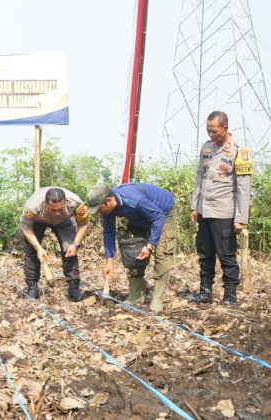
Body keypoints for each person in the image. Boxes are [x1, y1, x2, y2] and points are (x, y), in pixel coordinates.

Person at [188, 111, 252, 306]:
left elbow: (243, 189)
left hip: (224, 213)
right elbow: (200, 177)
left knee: (226, 255)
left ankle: (230, 295)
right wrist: (194, 206)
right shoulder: (206, 148)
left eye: (214, 131)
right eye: (208, 131)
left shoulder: (240, 153)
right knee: (205, 253)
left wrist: (240, 218)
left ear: (225, 128)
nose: (211, 135)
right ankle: (205, 292)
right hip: (204, 211)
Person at [87, 183, 177, 313]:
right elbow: (108, 232)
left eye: (100, 209)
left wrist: (150, 246)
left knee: (163, 252)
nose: (99, 213)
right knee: (134, 250)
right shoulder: (107, 208)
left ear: (109, 201)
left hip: (163, 212)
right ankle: (136, 294)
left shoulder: (134, 199)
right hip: (141, 217)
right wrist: (109, 261)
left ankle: (157, 298)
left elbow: (158, 217)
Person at [20, 187, 91, 301]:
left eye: (60, 209)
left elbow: (83, 224)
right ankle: (32, 287)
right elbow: (26, 227)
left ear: (65, 202)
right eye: (53, 210)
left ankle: (73, 287)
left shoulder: (76, 204)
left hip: (64, 221)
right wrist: (38, 247)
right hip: (38, 221)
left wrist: (75, 244)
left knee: (70, 250)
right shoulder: (33, 206)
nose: (57, 213)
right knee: (32, 251)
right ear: (45, 204)